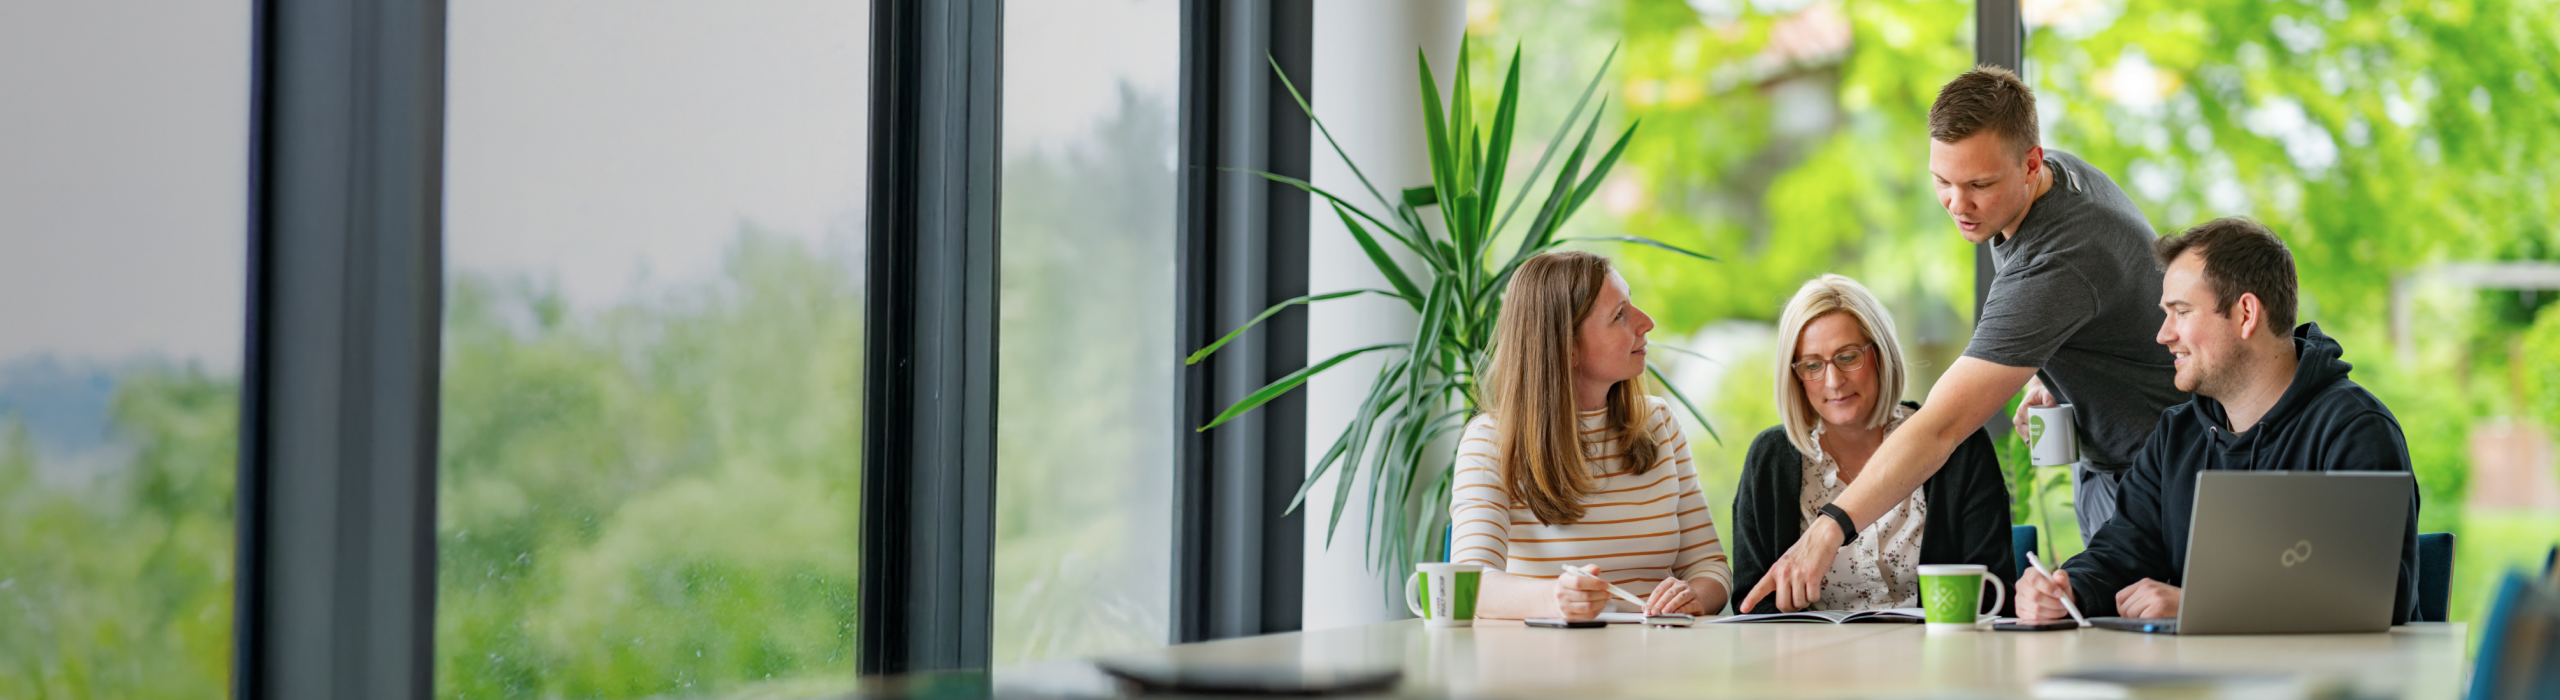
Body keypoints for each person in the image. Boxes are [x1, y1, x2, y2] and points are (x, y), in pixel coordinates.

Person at [1742, 66, 2187, 612]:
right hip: (2121, 464)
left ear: (2031, 163)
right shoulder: (2053, 183)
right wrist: (2051, 373)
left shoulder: (2059, 256)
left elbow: (1943, 426)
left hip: (2162, 476)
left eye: (1979, 185)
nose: (1957, 203)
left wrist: (1829, 526)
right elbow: (2101, 313)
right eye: (1943, 181)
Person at [2013, 218, 2421, 624]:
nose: (2163, 335)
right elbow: (2120, 553)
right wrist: (2067, 589)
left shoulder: (2355, 429)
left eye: (2181, 312)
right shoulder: (2176, 434)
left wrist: (2202, 604)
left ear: (2246, 314)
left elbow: (2378, 595)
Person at [1450, 251, 1730, 620]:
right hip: (1547, 655)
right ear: (1567, 349)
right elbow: (1469, 585)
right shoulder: (1489, 441)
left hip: (1655, 652)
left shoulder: (1659, 423)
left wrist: (1694, 596)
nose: (1647, 322)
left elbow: (1710, 566)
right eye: (1619, 315)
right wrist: (1555, 600)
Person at [1730, 275, 2016, 613]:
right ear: (1795, 376)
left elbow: (1994, 594)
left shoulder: (1959, 446)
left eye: (1848, 357)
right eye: (1812, 365)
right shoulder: (1770, 459)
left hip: (1936, 646)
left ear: (1880, 354)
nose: (1834, 381)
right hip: (1813, 648)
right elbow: (1752, 602)